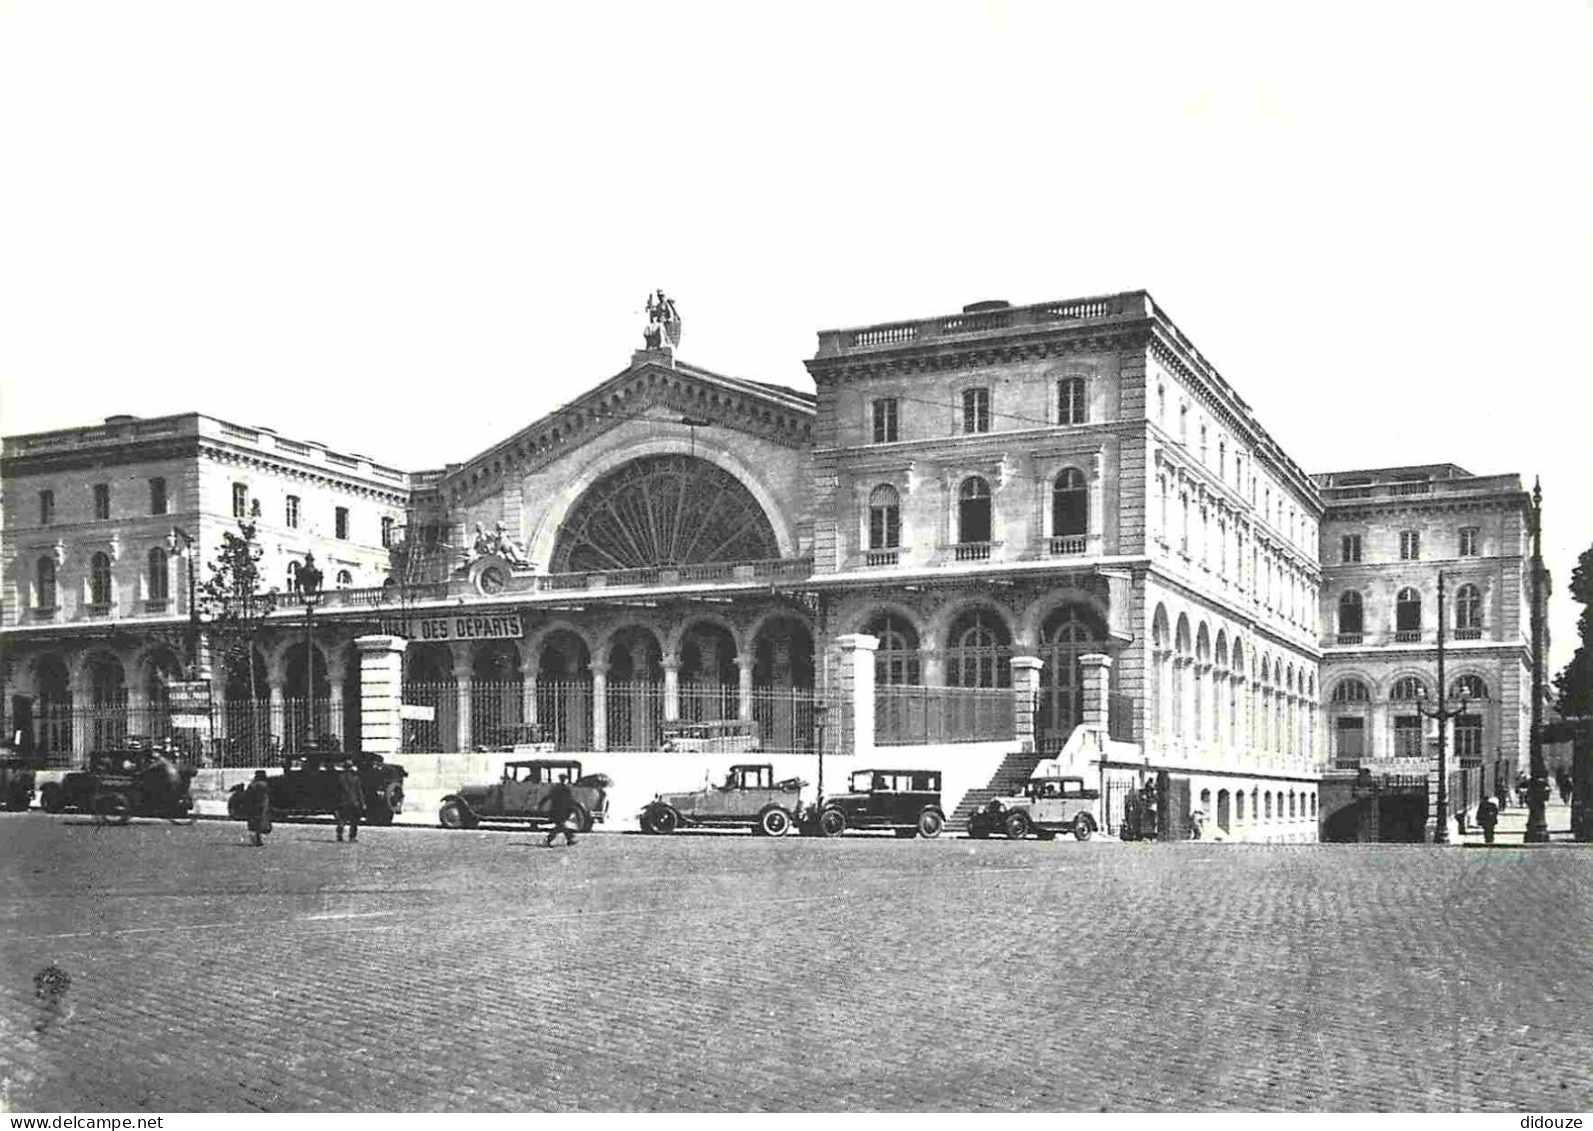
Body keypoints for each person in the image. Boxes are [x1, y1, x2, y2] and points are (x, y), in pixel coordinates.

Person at [334, 759, 365, 843]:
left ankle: (339, 835)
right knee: (354, 821)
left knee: (342, 819)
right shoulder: (355, 778)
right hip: (354, 802)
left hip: (343, 801)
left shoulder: (340, 778)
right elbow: (359, 791)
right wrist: (362, 803)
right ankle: (352, 837)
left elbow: (336, 791)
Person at [544, 774, 578, 847]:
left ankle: (568, 839)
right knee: (561, 825)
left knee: (561, 826)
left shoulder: (557, 788)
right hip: (560, 810)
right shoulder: (564, 788)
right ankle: (569, 838)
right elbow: (569, 800)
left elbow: (550, 797)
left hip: (560, 809)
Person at [244, 769, 272, 847]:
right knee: (262, 823)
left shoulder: (252, 785)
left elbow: (248, 796)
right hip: (263, 806)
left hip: (253, 806)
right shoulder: (266, 785)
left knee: (254, 824)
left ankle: (255, 840)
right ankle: (259, 840)